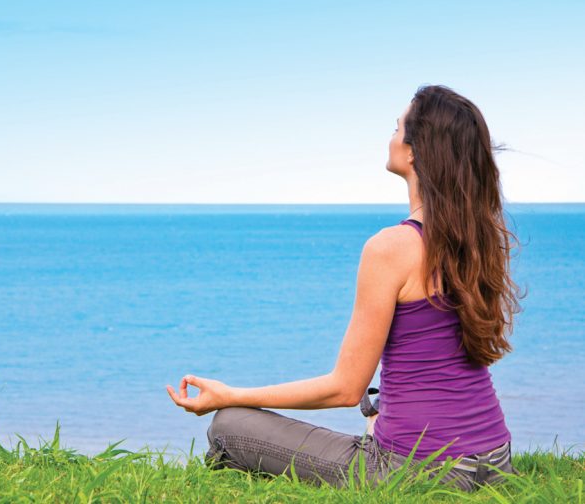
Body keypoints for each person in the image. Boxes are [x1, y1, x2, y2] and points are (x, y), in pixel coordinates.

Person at [166, 84, 523, 493]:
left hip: (420, 470)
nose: (389, 137)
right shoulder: (478, 242)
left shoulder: (391, 247)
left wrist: (230, 394)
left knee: (230, 426)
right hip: (494, 459)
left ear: (413, 151)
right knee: (374, 410)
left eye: (396, 128)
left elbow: (344, 387)